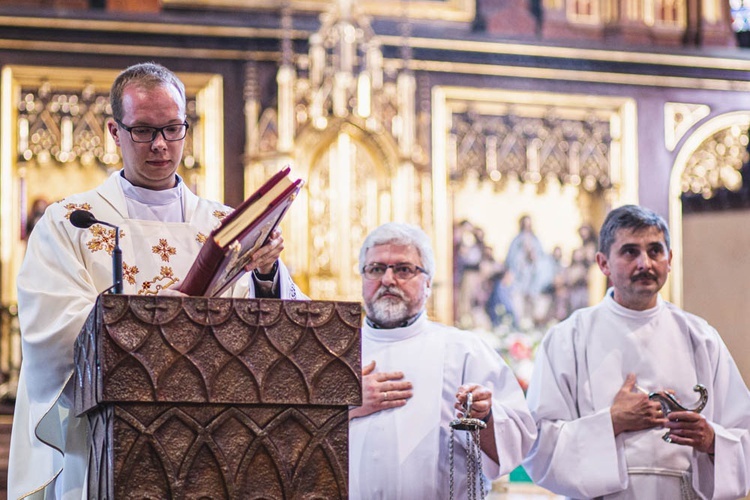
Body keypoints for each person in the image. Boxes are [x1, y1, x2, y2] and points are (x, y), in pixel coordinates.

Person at [8, 62, 304, 499]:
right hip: (104, 438)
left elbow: (283, 336)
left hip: (215, 436)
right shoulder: (71, 222)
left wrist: (265, 274)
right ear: (114, 131)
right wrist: (147, 318)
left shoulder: (226, 225)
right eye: (144, 131)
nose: (161, 145)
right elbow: (50, 328)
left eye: (173, 129)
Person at [523, 204, 750, 499]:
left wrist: (711, 440)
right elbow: (537, 444)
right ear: (603, 263)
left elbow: (744, 436)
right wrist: (612, 421)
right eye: (630, 252)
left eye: (655, 251)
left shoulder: (701, 337)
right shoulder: (568, 338)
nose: (645, 263)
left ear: (670, 259)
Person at [348, 222, 536, 499]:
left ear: (427, 283)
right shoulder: (335, 352)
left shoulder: (464, 350)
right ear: (363, 277)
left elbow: (516, 446)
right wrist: (348, 405)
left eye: (403, 269)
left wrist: (485, 416)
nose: (388, 279)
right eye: (376, 268)